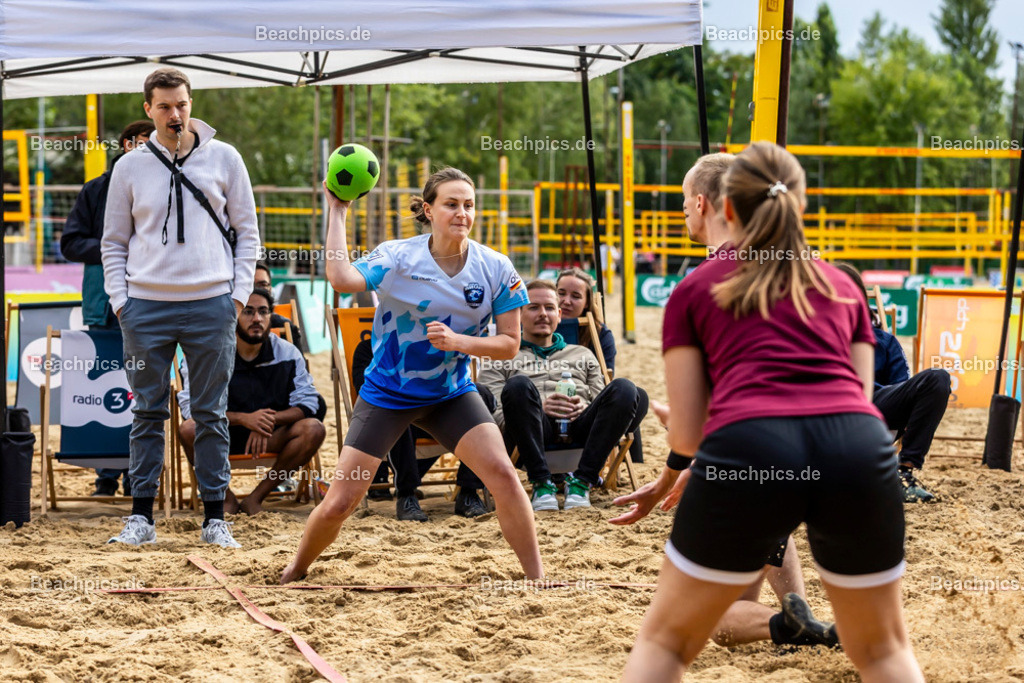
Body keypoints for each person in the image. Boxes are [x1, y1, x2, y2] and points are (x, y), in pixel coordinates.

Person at [618, 142, 922, 681]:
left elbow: (688, 435)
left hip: (751, 445)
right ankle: (798, 616)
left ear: (723, 207)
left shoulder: (694, 289)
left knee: (665, 644)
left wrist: (671, 472)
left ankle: (788, 612)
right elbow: (859, 395)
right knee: (882, 652)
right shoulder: (841, 284)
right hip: (857, 450)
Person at [280, 167, 544, 584]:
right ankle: (296, 569)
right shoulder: (399, 255)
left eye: (469, 205)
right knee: (339, 503)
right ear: (428, 209)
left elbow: (510, 343)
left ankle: (536, 578)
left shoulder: (495, 266)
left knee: (505, 478)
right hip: (387, 392)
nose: (462, 213)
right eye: (451, 204)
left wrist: (459, 342)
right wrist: (336, 213)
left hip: (451, 393)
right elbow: (341, 279)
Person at [102, 67, 260, 548]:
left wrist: (235, 297)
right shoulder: (128, 167)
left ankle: (216, 518)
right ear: (148, 110)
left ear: (192, 105)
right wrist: (121, 301)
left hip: (212, 303)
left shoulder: (225, 158)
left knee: (210, 413)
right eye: (165, 106)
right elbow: (114, 241)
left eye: (183, 104)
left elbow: (248, 233)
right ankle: (141, 518)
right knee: (147, 412)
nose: (176, 114)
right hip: (144, 306)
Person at [478, 279, 648, 511]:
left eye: (549, 308)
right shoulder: (501, 355)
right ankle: (541, 484)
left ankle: (581, 482)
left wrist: (583, 405)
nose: (542, 314)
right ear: (518, 313)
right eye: (533, 307)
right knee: (518, 386)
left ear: (559, 315)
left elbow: (602, 401)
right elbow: (495, 414)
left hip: (580, 427)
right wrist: (538, 408)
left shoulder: (582, 354)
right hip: (529, 432)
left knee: (625, 388)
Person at [61, 119, 155, 498]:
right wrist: (113, 247)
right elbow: (70, 243)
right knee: (104, 388)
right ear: (125, 145)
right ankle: (106, 475)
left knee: (144, 389)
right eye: (141, 142)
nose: (147, 148)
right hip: (105, 306)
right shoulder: (97, 189)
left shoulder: (169, 186)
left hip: (151, 304)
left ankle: (138, 474)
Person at [178, 288, 326, 515]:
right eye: (248, 312)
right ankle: (224, 497)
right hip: (221, 436)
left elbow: (309, 403)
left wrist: (267, 420)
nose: (257, 319)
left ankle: (256, 497)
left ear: (270, 317)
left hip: (270, 437)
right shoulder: (206, 354)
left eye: (263, 312)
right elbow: (191, 409)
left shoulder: (287, 352)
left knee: (314, 429)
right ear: (232, 315)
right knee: (189, 429)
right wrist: (244, 420)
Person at [834, 263, 949, 503]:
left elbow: (901, 388)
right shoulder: (812, 335)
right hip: (828, 407)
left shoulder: (884, 341)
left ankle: (904, 472)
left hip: (875, 404)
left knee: (937, 379)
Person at [351, 337, 490, 520]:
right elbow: (366, 389)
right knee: (395, 407)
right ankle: (406, 495)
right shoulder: (369, 348)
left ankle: (468, 492)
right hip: (398, 419)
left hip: (438, 413)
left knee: (482, 394)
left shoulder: (435, 342)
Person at [556, 267, 650, 464]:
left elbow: (605, 379)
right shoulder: (537, 325)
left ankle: (611, 461)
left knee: (636, 395)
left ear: (587, 303)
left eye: (575, 296)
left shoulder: (599, 334)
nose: (566, 301)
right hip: (549, 404)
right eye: (561, 293)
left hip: (586, 407)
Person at [254, 262, 304, 351]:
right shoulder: (231, 325)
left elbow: (299, 363)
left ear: (270, 288)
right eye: (251, 285)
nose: (257, 290)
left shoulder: (285, 325)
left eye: (263, 285)